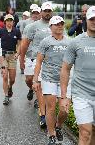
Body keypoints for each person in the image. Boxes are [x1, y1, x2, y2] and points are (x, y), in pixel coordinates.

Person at [33, 16, 71, 145]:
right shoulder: (45, 42)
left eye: (61, 24)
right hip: (49, 78)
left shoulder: (70, 42)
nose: (59, 26)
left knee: (64, 109)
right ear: (51, 27)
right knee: (50, 108)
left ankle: (58, 126)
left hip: (65, 80)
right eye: (56, 24)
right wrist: (35, 80)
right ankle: (51, 135)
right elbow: (38, 62)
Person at [60, 6, 95, 145]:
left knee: (92, 131)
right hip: (82, 94)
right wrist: (64, 97)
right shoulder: (76, 42)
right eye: (92, 19)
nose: (94, 21)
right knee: (85, 132)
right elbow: (65, 69)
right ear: (86, 19)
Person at [20, 2, 53, 128]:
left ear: (52, 12)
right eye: (45, 10)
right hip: (33, 59)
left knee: (41, 88)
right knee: (30, 81)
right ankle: (31, 89)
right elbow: (24, 45)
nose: (47, 13)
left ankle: (43, 115)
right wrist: (21, 60)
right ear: (41, 12)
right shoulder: (33, 27)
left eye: (49, 10)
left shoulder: (56, 25)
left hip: (50, 62)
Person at [0, 14, 21, 105]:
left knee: (12, 79)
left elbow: (19, 44)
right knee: (5, 76)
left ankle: (10, 86)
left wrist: (17, 53)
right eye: (7, 20)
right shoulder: (0, 31)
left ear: (13, 22)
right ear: (5, 22)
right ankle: (6, 96)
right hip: (3, 55)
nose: (9, 22)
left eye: (11, 20)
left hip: (12, 56)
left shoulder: (17, 31)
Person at [20, 6, 41, 99]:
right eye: (34, 13)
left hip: (40, 57)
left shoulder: (46, 26)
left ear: (40, 14)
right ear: (31, 14)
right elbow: (23, 42)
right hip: (29, 56)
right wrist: (21, 58)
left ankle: (38, 98)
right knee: (29, 79)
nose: (35, 15)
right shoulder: (27, 26)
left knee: (39, 80)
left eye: (37, 13)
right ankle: (31, 89)